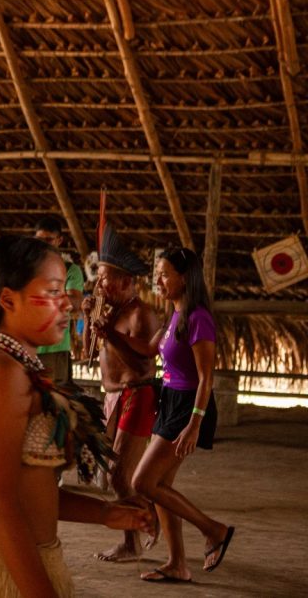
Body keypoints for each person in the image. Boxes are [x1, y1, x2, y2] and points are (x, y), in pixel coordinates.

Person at [0, 235, 152, 598]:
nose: (67, 303)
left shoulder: (20, 368)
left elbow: (32, 491)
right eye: (52, 291)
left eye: (65, 290)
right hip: (1, 573)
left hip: (22, 564)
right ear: (7, 299)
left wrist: (106, 513)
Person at [132, 247, 234, 583]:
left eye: (163, 274)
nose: (157, 280)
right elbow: (150, 350)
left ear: (184, 277)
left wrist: (194, 423)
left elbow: (206, 377)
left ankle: (213, 530)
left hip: (188, 406)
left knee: (143, 482)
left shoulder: (198, 317)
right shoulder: (175, 313)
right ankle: (177, 564)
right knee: (161, 486)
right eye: (156, 273)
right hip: (171, 400)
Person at [81, 224, 160, 563]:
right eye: (98, 278)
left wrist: (110, 334)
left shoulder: (141, 313)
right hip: (114, 397)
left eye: (106, 278)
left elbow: (144, 364)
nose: (100, 284)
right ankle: (147, 521)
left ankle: (137, 537)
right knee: (115, 475)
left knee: (119, 476)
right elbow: (85, 354)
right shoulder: (107, 311)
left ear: (128, 282)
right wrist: (85, 321)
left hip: (137, 396)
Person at [33, 217, 84, 384]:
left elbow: (74, 303)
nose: (44, 244)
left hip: (54, 349)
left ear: (59, 240)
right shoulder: (26, 269)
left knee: (56, 402)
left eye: (49, 240)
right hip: (27, 348)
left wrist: (40, 295)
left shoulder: (70, 270)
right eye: (40, 240)